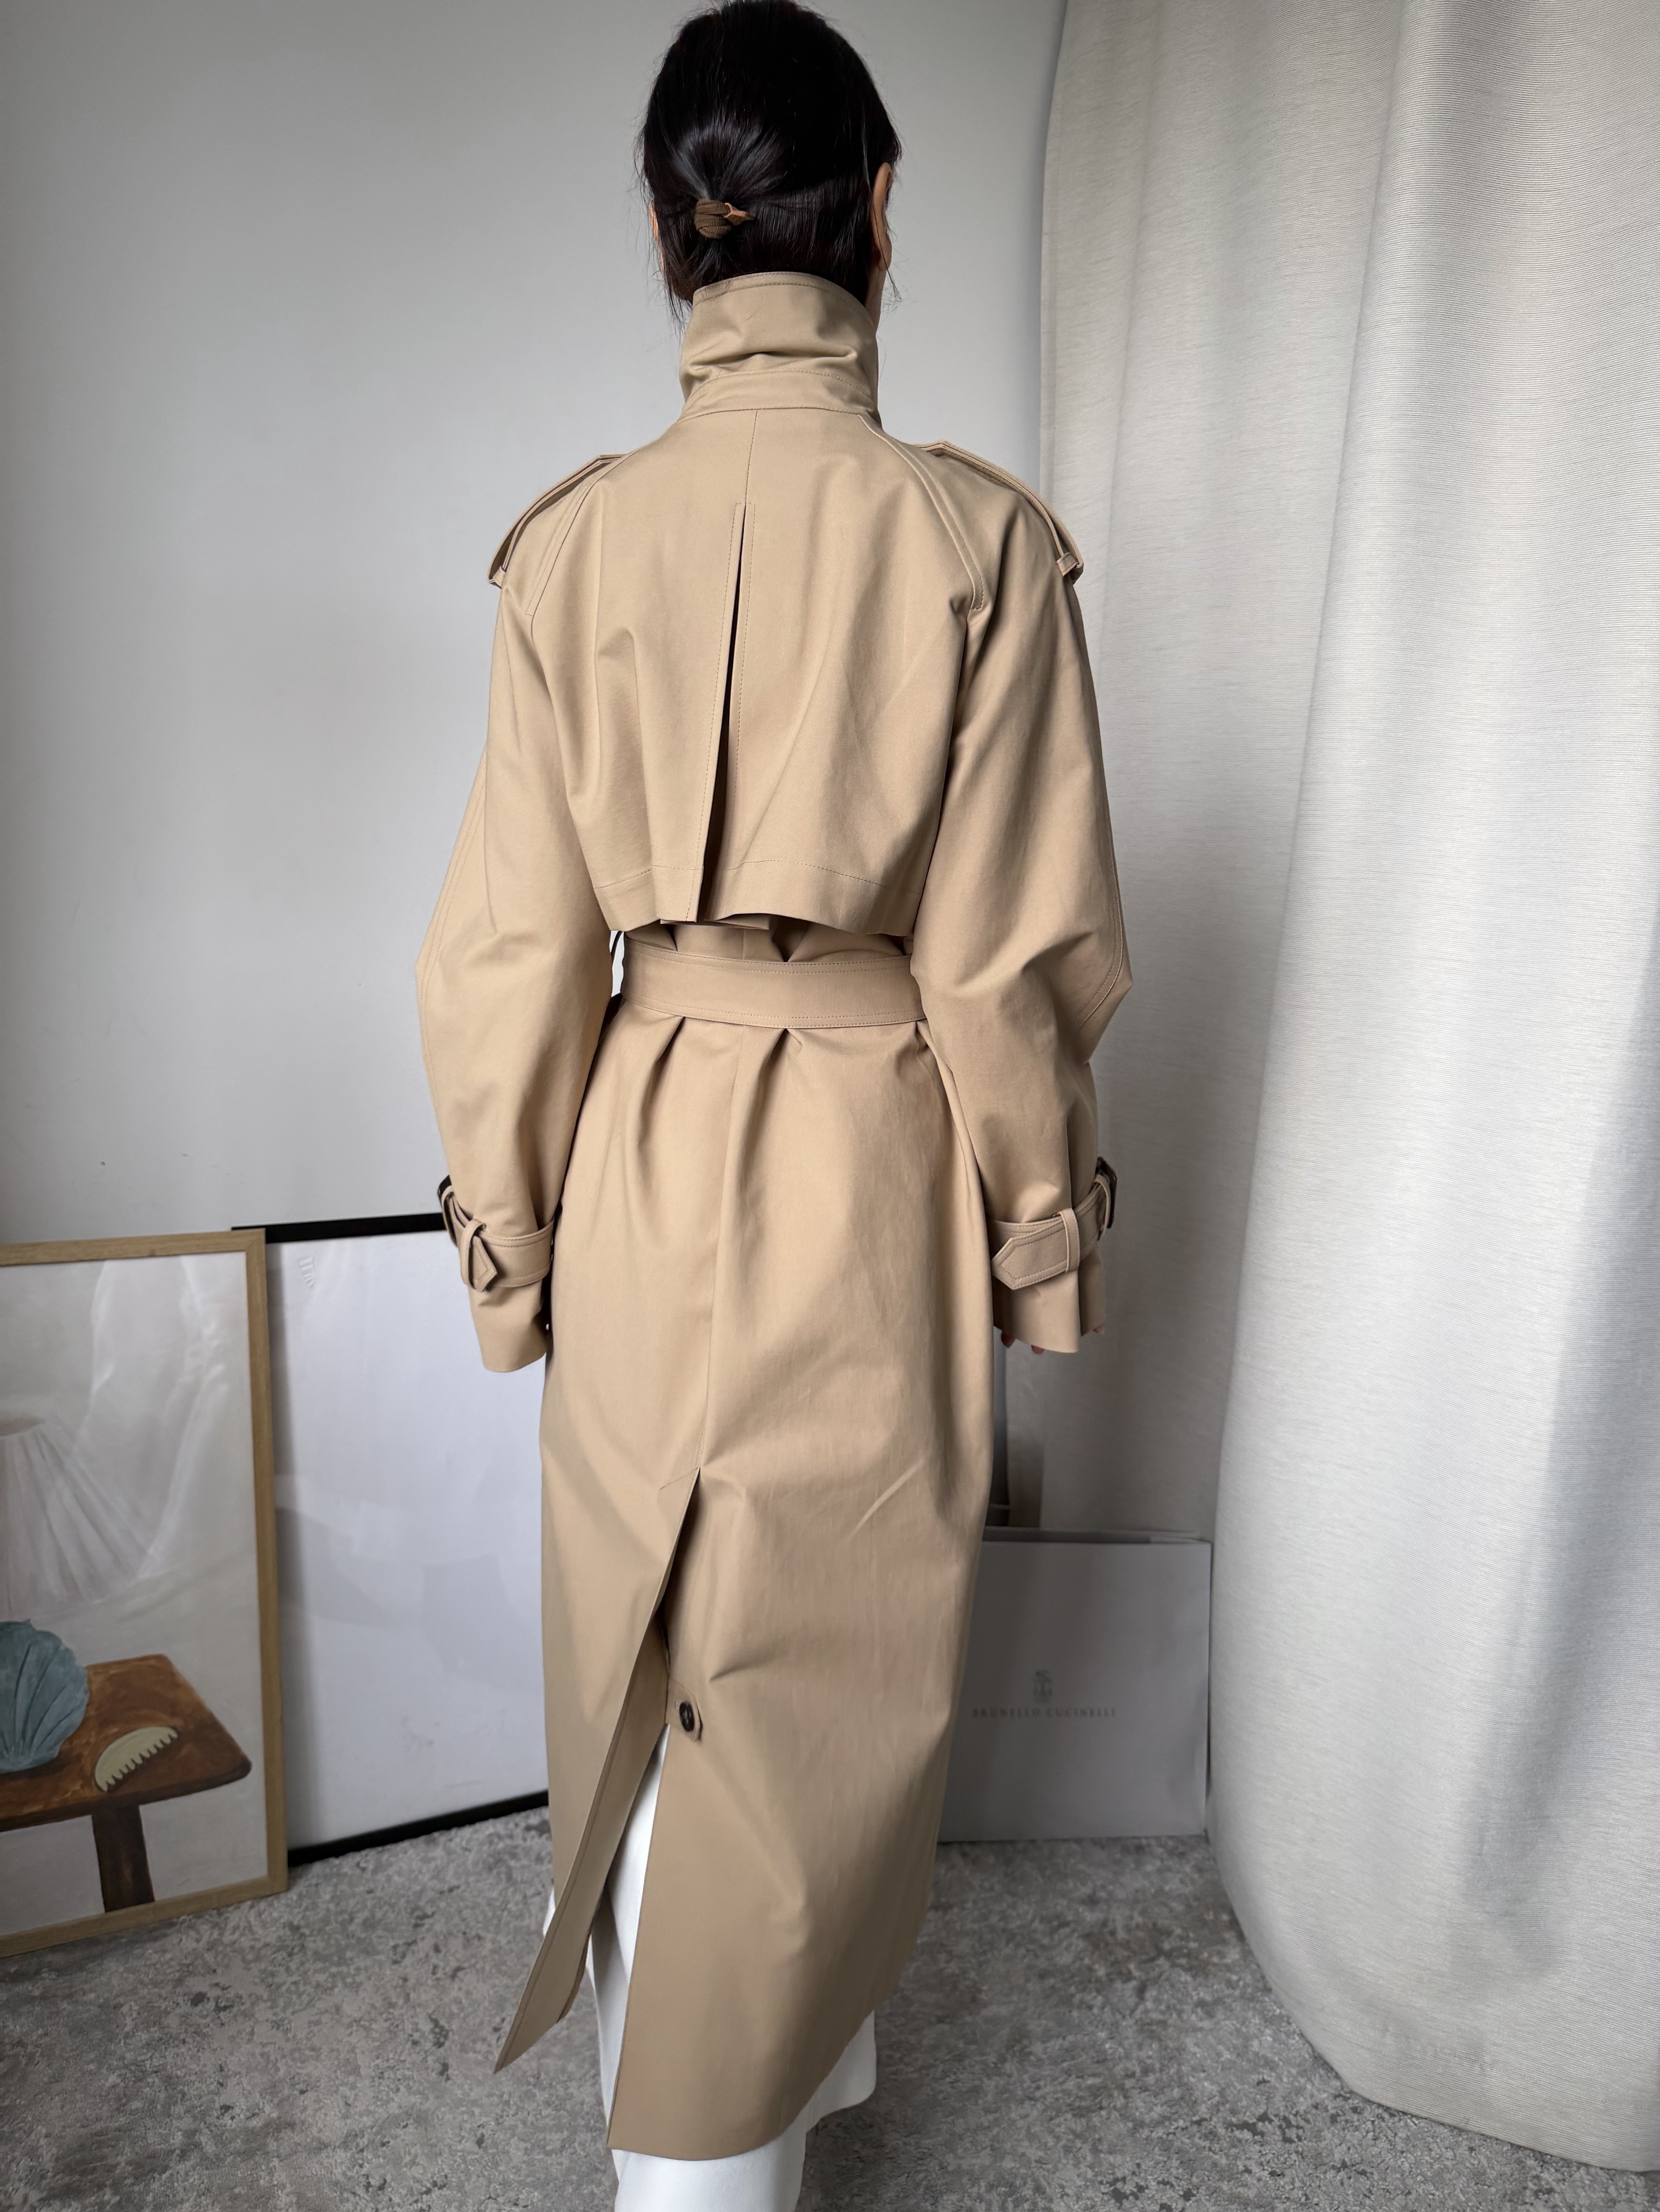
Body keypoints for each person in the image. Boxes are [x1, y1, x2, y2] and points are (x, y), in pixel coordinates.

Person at [417, 3, 1129, 2204]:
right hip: (870, 1145)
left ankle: (724, 2111)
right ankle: (723, 2144)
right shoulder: (980, 544)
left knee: (654, 1629)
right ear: (881, 212)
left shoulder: (568, 550)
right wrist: (1038, 1245)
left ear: (669, 233)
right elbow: (1008, 959)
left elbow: (511, 951)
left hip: (641, 1129)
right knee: (825, 1649)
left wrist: (512, 1253)